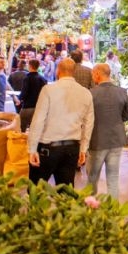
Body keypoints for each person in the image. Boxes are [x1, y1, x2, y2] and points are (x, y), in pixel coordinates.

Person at [28, 58, 94, 186]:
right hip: (72, 148)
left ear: (58, 71)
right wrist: (83, 149)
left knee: (36, 190)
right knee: (65, 191)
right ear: (74, 72)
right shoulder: (86, 93)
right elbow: (88, 124)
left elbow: (38, 120)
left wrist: (32, 149)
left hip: (48, 148)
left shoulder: (48, 90)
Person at [87, 63, 128, 199]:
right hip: (116, 140)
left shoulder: (91, 93)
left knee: (92, 177)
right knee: (113, 177)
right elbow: (126, 116)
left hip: (97, 141)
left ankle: (90, 207)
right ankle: (113, 209)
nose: (92, 77)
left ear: (97, 74)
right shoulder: (122, 92)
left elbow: (87, 119)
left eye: (93, 74)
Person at [17, 59, 47, 132]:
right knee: (36, 129)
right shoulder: (43, 79)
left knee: (21, 128)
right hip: (39, 107)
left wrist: (19, 99)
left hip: (27, 107)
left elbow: (24, 92)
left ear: (30, 66)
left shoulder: (27, 78)